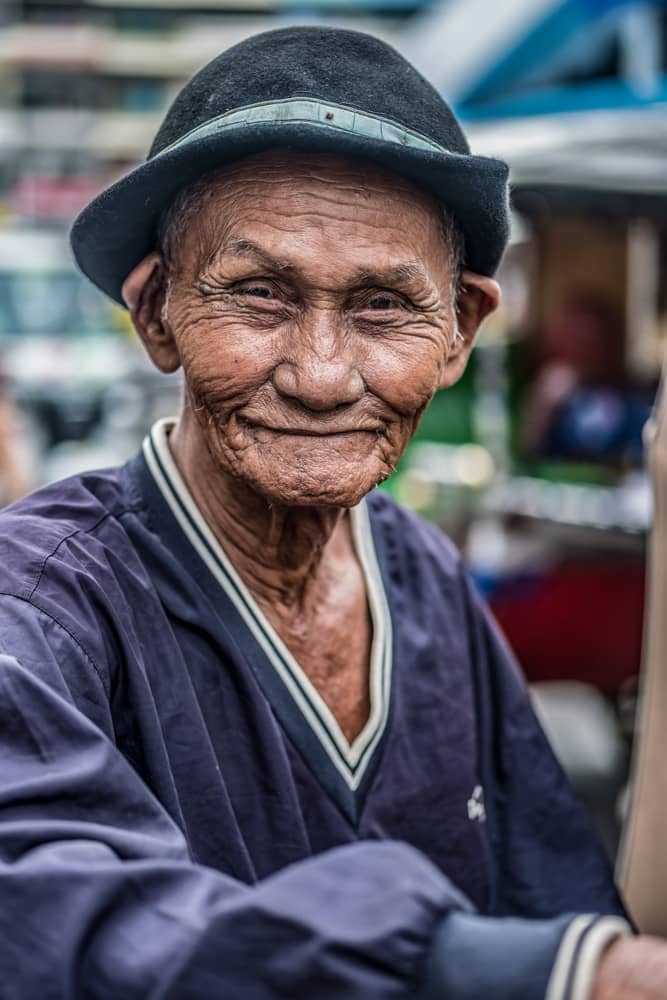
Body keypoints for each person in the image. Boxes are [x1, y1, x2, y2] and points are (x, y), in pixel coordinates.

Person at [0, 26, 654, 999]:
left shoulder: (422, 577)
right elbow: (56, 919)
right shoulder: (38, 606)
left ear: (460, 332)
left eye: (384, 306)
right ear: (156, 314)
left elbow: (551, 897)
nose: (318, 374)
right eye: (258, 293)